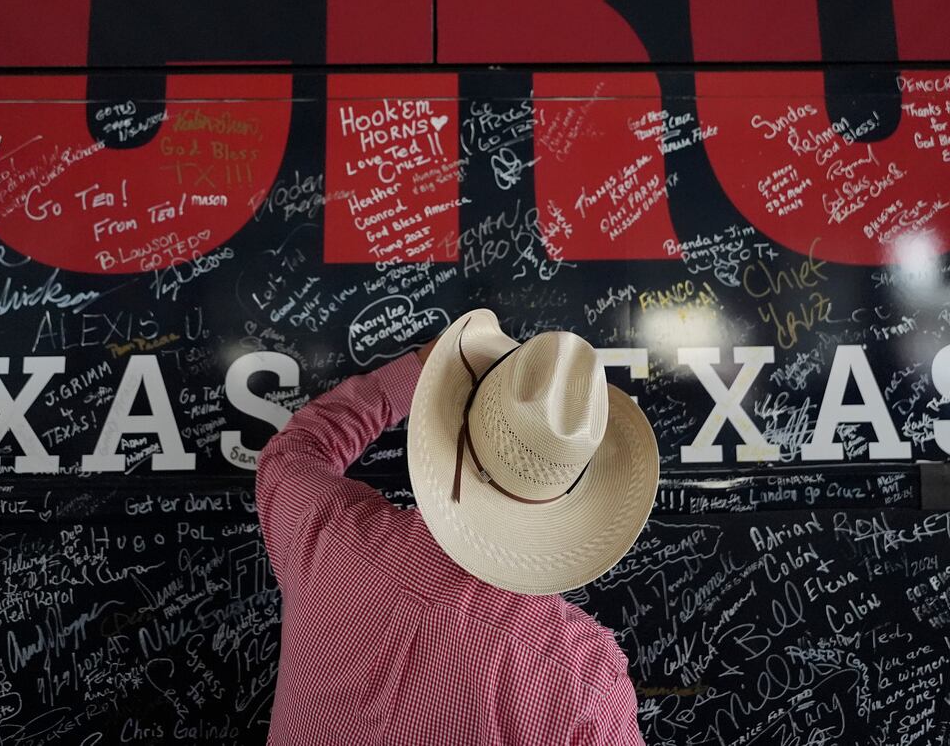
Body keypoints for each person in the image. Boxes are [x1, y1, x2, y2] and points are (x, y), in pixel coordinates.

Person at [256, 307, 661, 745]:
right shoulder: (581, 680)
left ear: (455, 418)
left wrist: (416, 373)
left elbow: (295, 450)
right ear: (569, 490)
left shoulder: (328, 537)